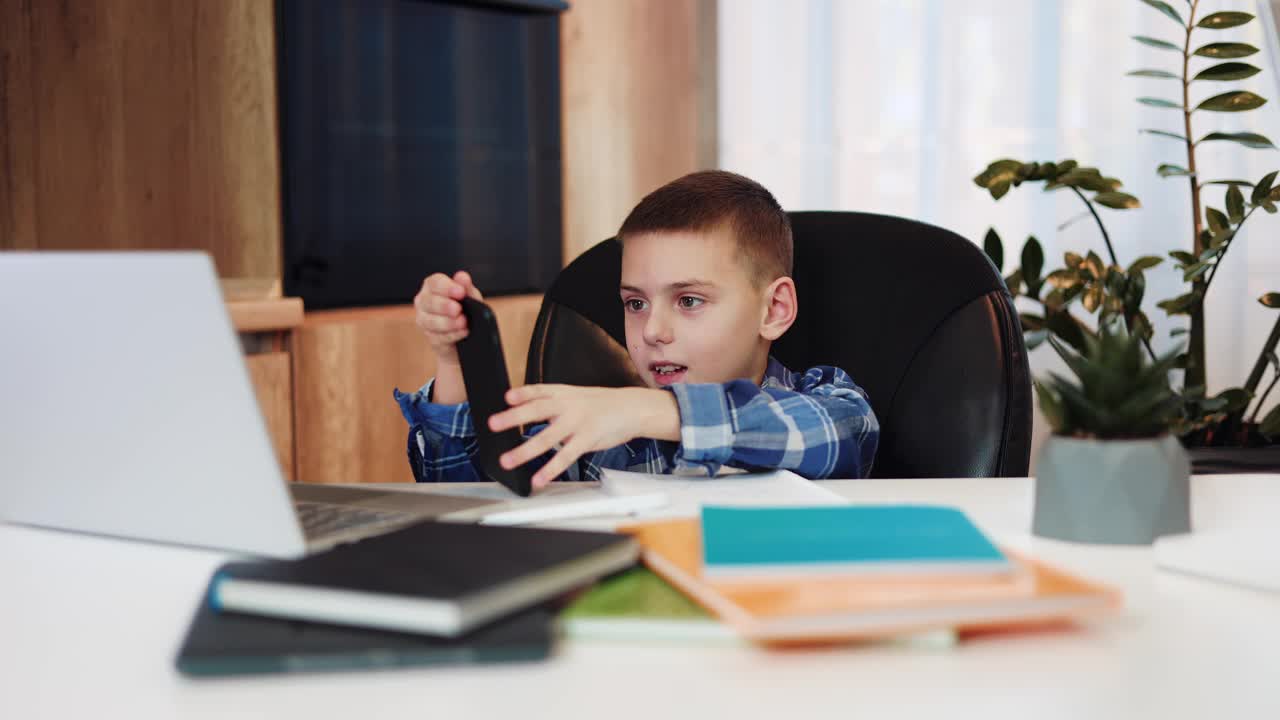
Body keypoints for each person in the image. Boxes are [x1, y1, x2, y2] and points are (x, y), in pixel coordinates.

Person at [395, 170, 878, 489]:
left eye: (689, 300)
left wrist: (652, 410)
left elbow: (838, 437)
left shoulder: (828, 402)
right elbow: (463, 492)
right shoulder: (599, 438)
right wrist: (456, 364)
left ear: (774, 309)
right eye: (635, 303)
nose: (653, 330)